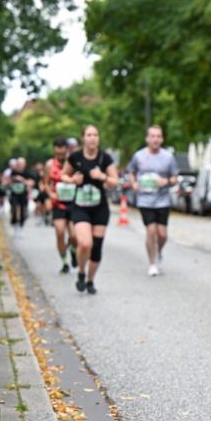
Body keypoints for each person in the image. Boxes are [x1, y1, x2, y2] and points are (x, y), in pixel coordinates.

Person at [62, 125, 119, 295]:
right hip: (80, 207)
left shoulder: (105, 158)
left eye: (95, 135)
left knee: (96, 247)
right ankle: (81, 271)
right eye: (89, 135)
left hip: (100, 208)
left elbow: (115, 182)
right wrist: (73, 180)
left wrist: (102, 176)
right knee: (85, 243)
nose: (93, 138)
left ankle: (90, 280)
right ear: (83, 138)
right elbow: (63, 175)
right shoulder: (75, 157)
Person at [126, 125, 180, 276]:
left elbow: (175, 177)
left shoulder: (168, 157)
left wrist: (166, 181)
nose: (155, 139)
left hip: (162, 200)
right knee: (151, 231)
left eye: (158, 136)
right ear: (147, 138)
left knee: (162, 235)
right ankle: (152, 263)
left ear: (162, 139)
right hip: (145, 200)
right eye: (152, 136)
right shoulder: (139, 156)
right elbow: (131, 172)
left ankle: (158, 252)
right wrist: (134, 183)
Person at [44, 137, 78, 274]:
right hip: (58, 203)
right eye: (57, 153)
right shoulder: (49, 164)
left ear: (66, 150)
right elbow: (46, 183)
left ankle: (73, 251)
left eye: (62, 153)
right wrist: (50, 195)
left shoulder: (74, 162)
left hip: (74, 202)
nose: (60, 155)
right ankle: (64, 262)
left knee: (74, 236)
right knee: (60, 232)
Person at [9, 157, 36, 232]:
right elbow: (7, 182)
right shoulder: (13, 172)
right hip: (14, 193)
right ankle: (14, 222)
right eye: (18, 163)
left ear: (24, 164)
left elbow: (31, 183)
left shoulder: (28, 173)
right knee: (14, 207)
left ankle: (21, 224)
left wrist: (22, 180)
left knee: (23, 209)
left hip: (23, 194)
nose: (19, 165)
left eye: (21, 164)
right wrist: (13, 179)